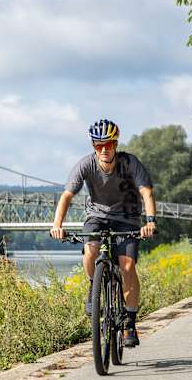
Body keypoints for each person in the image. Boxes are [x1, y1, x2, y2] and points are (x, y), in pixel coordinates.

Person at [50, 119, 157, 347]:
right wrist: (57, 225)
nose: (104, 149)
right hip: (96, 216)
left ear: (116, 143)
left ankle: (129, 322)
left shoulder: (130, 163)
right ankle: (94, 285)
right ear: (93, 146)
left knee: (127, 266)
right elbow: (67, 196)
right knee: (90, 250)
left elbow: (146, 192)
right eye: (99, 145)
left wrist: (150, 221)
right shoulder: (85, 165)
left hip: (127, 217)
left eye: (108, 144)